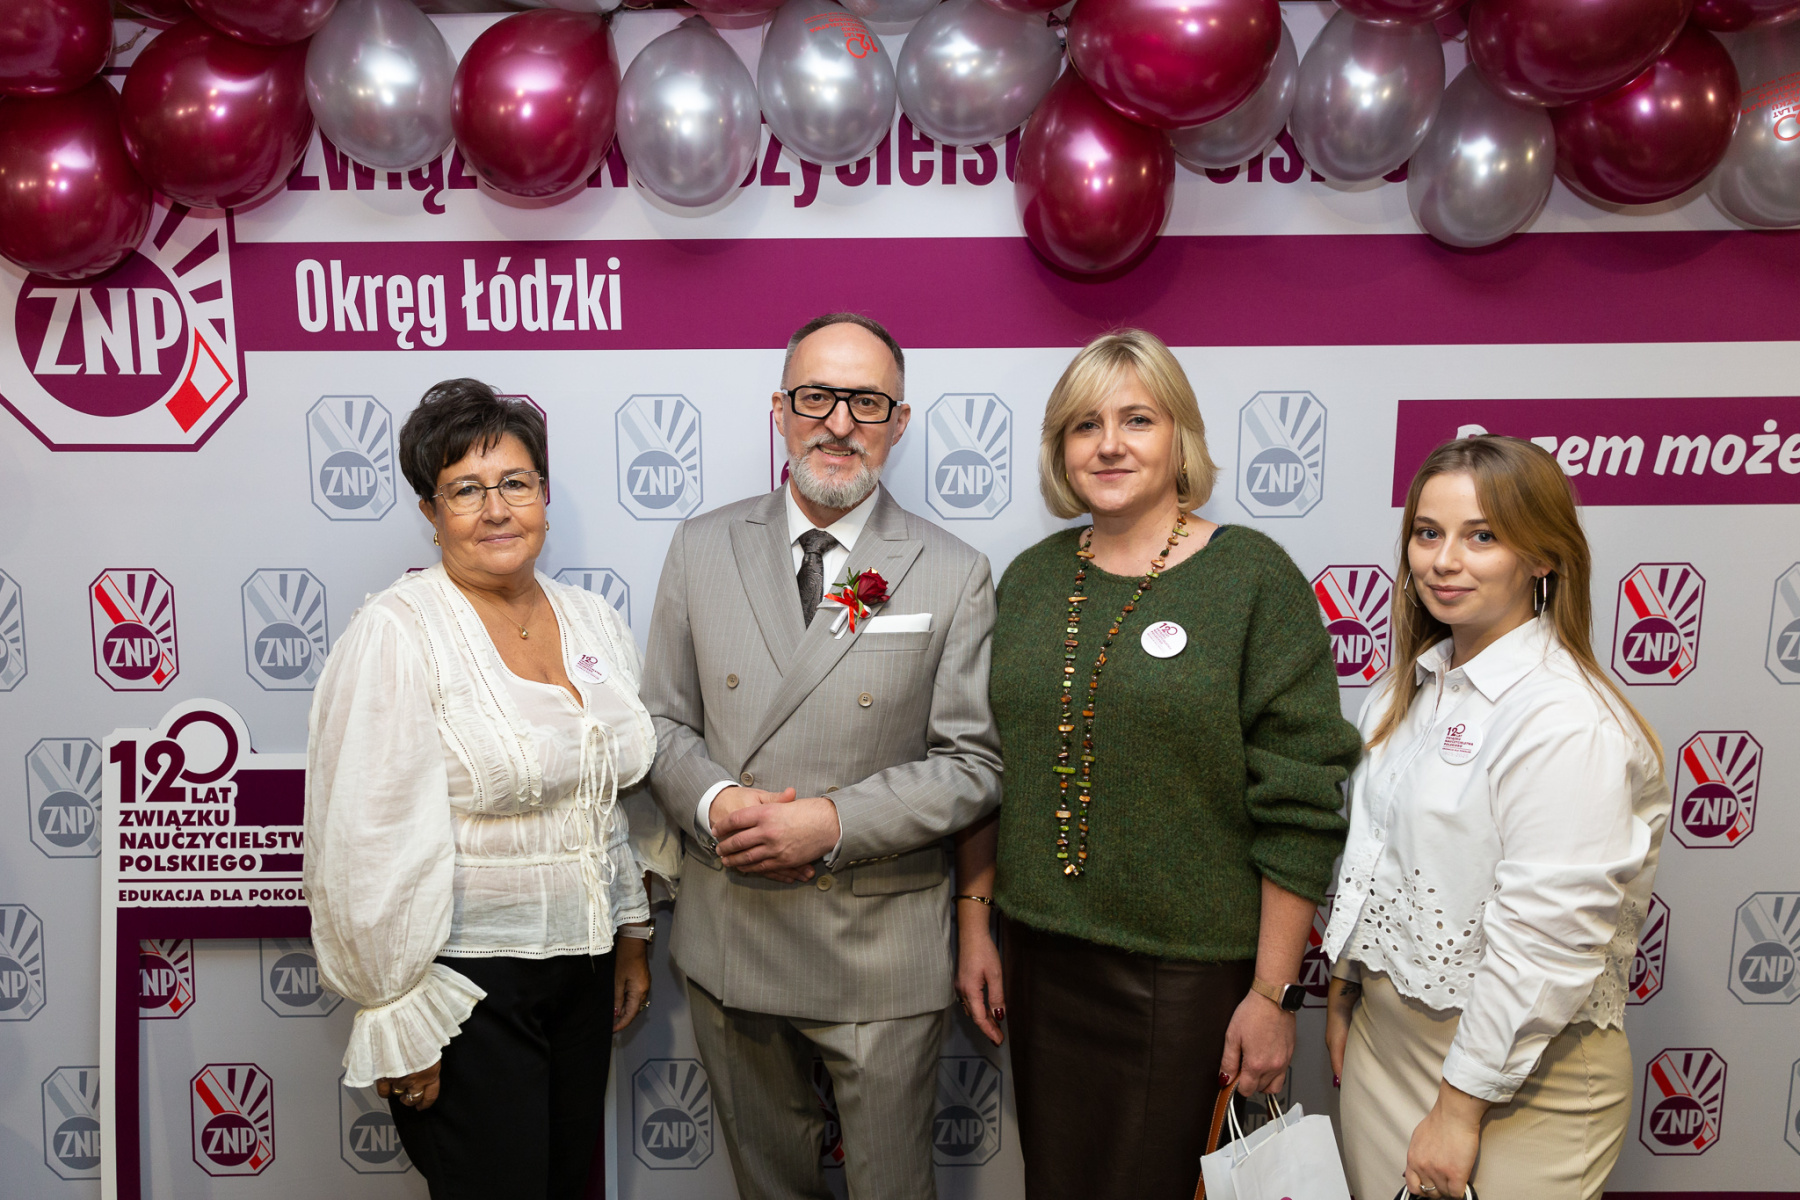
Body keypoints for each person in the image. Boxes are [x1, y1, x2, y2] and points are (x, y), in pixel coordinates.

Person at [953, 329, 1361, 1200]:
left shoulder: (1252, 579)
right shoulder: (1030, 580)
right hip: (1041, 960)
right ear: (1061, 449)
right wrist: (976, 921)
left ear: (1181, 438)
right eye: (1085, 425)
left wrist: (1273, 995)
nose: (1109, 444)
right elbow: (989, 766)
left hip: (1189, 977)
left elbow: (1300, 802)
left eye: (1137, 419)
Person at [642, 312, 1003, 1200]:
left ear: (899, 422)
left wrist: (833, 823)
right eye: (816, 398)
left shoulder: (952, 569)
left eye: (867, 403)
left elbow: (972, 765)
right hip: (734, 936)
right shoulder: (700, 546)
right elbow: (661, 723)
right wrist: (719, 803)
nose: (839, 423)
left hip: (879, 949)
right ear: (779, 410)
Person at [304, 379, 677, 1199]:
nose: (496, 509)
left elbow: (616, 798)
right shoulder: (397, 632)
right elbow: (364, 837)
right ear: (430, 512)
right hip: (462, 987)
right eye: (466, 490)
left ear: (544, 495)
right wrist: (396, 1014)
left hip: (584, 970)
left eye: (514, 483)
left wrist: (632, 933)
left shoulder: (593, 618)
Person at [1323, 435, 1668, 1200]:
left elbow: (1546, 940)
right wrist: (1346, 987)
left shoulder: (1566, 720)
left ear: (1542, 556)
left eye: (1482, 537)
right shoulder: (1404, 691)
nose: (1444, 561)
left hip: (1519, 1085)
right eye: (1427, 533)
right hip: (1385, 1047)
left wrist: (1460, 1108)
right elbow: (1375, 857)